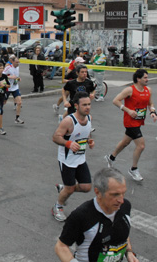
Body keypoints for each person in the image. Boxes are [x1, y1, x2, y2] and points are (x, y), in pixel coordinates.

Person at [54, 168, 139, 262]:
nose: (121, 200)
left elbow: (122, 232)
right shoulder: (81, 216)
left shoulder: (125, 206)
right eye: (115, 194)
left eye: (123, 193)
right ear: (98, 192)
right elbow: (61, 247)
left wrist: (129, 252)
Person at [105, 69, 157, 182]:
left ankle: (111, 157)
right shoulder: (130, 90)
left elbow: (150, 103)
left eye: (147, 77)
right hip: (130, 121)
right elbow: (116, 100)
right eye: (145, 78)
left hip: (139, 121)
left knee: (125, 142)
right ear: (138, 79)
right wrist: (128, 110)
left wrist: (153, 112)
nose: (147, 80)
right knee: (141, 145)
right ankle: (134, 169)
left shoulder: (148, 90)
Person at [52, 92, 95, 222]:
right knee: (70, 188)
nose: (87, 107)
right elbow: (55, 137)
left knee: (86, 187)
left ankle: (64, 189)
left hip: (80, 158)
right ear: (76, 106)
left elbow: (85, 134)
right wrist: (68, 143)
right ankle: (57, 207)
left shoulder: (89, 119)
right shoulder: (69, 121)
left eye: (89, 104)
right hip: (67, 160)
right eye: (84, 105)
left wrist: (89, 141)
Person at [3, 55, 24, 124]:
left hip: (15, 87)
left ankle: (17, 118)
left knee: (19, 102)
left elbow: (16, 76)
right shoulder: (8, 67)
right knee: (3, 103)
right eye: (17, 62)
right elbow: (2, 76)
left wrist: (18, 78)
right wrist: (10, 77)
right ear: (13, 62)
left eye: (19, 62)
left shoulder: (17, 68)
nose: (18, 63)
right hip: (8, 88)